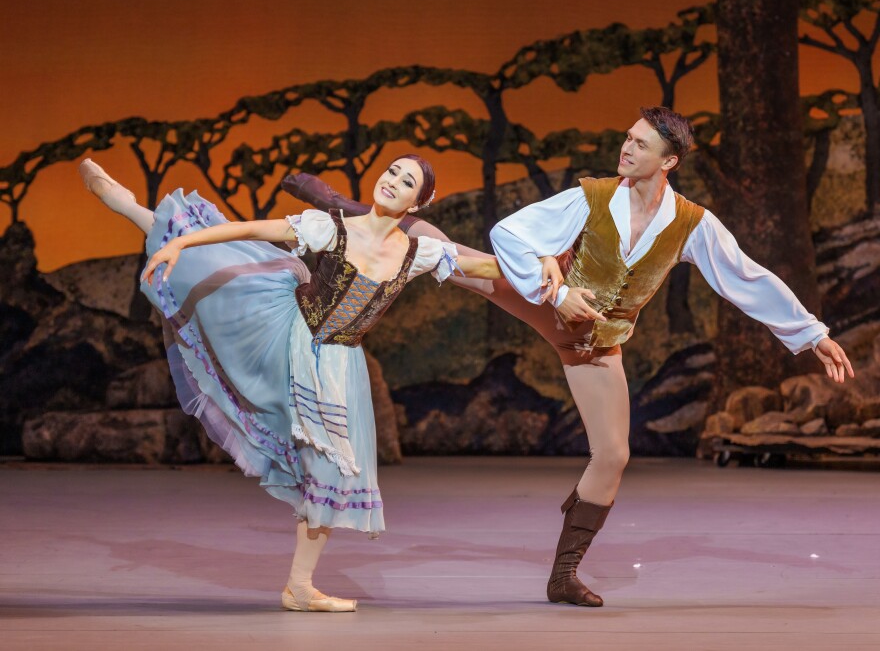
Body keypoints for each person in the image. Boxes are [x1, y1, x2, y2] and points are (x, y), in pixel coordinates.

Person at [281, 107, 854, 609]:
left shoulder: (691, 224)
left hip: (597, 344)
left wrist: (810, 333)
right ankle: (344, 212)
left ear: (669, 161)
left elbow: (745, 278)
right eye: (627, 138)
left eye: (641, 145)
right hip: (546, 306)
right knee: (444, 255)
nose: (627, 148)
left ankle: (563, 575)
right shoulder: (592, 196)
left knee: (613, 455)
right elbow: (509, 232)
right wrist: (552, 287)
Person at [79, 154, 552, 613]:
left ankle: (299, 587)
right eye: (391, 171)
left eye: (406, 181)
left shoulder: (419, 252)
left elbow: (490, 267)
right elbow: (250, 229)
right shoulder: (331, 227)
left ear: (420, 203)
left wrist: (551, 269)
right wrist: (182, 244)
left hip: (339, 365)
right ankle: (134, 210)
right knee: (217, 263)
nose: (391, 181)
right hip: (288, 331)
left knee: (330, 470)